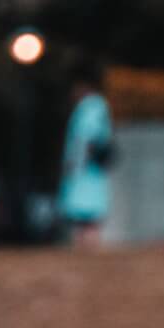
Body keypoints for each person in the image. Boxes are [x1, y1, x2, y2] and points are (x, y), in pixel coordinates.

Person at [57, 65, 114, 247]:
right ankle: (84, 243)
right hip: (87, 168)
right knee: (84, 212)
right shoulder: (93, 106)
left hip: (86, 168)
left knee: (87, 211)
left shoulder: (92, 106)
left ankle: (88, 244)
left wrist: (76, 162)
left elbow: (89, 137)